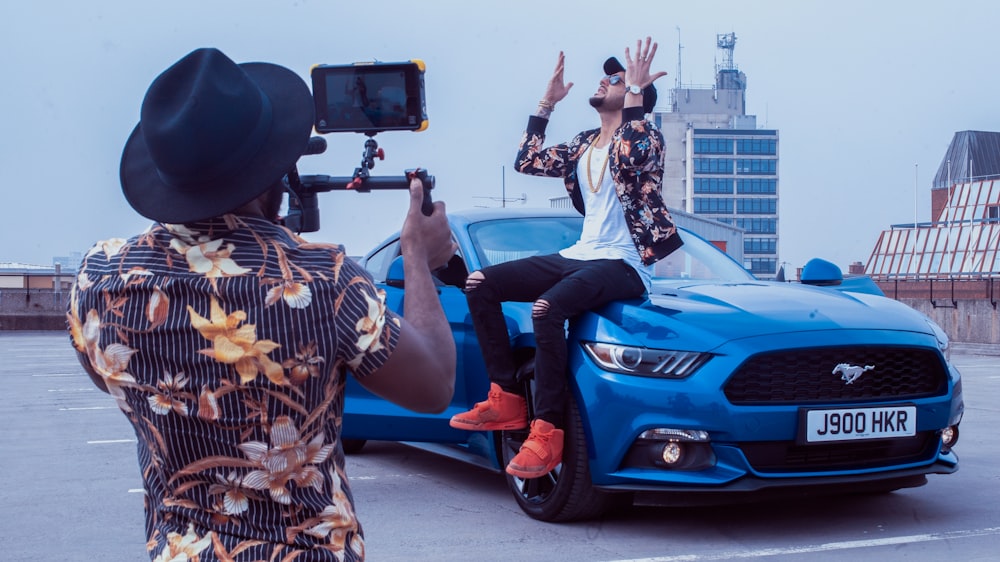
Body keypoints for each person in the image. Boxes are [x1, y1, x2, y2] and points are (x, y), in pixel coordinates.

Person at [67, 47, 456, 561]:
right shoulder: (322, 279)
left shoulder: (99, 276)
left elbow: (111, 377)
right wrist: (417, 260)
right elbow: (433, 387)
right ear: (275, 168)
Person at [449, 37, 682, 479]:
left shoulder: (647, 135)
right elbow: (527, 161)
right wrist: (546, 103)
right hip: (580, 254)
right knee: (480, 283)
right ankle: (507, 398)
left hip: (623, 264)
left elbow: (632, 154)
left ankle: (548, 431)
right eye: (610, 75)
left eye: (616, 78)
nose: (605, 79)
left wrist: (634, 91)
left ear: (635, 95)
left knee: (547, 309)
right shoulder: (584, 143)